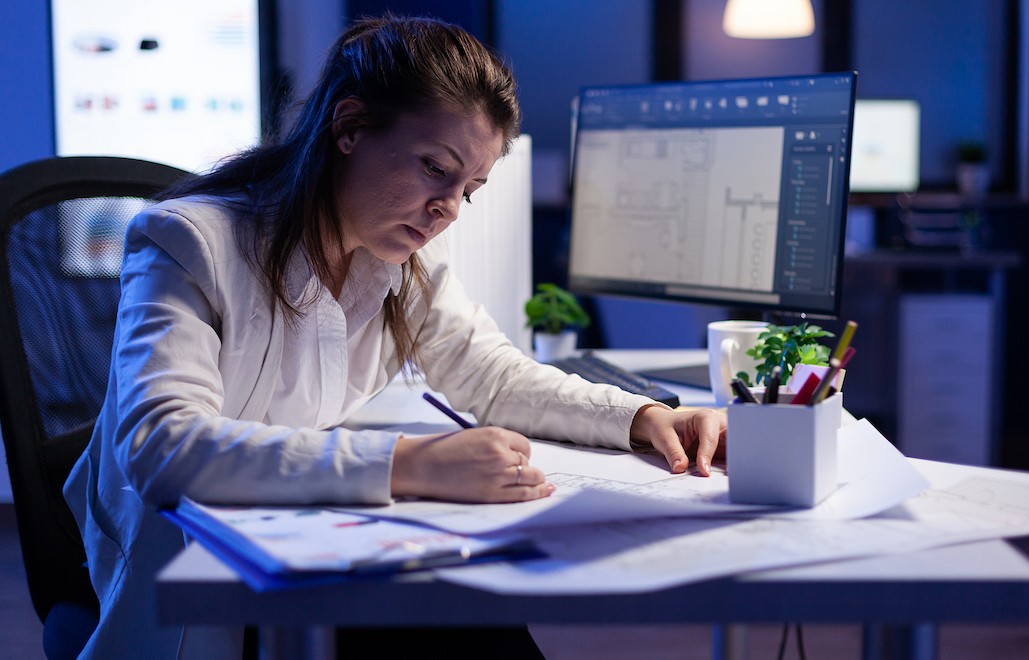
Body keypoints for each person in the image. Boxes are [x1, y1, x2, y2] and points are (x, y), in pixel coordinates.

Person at [63, 14, 726, 660]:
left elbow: (494, 376)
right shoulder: (189, 242)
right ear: (349, 127)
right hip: (187, 567)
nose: (448, 209)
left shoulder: (402, 257)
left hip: (296, 532)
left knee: (473, 615)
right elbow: (163, 447)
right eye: (436, 168)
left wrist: (641, 416)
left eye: (469, 188)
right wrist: (411, 463)